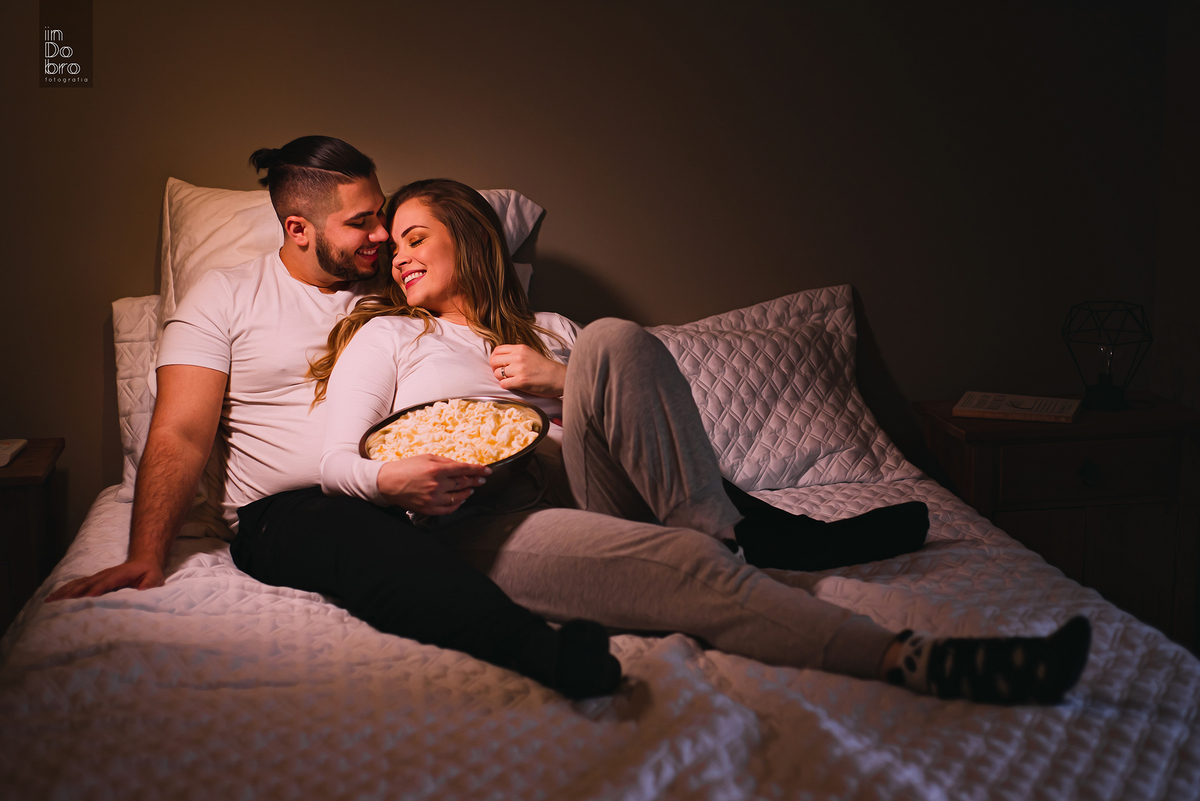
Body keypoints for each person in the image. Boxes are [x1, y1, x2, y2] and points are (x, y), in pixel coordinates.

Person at [315, 178, 1093, 705]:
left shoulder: (551, 332)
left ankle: (714, 532)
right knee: (688, 566)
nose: (400, 255)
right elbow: (330, 459)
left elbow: (634, 417)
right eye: (396, 247)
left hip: (587, 481)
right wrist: (394, 483)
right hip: (488, 516)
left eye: (418, 236)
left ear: (471, 239)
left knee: (614, 339)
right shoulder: (389, 335)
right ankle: (913, 657)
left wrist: (557, 378)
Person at [45, 137, 621, 701]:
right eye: (362, 223)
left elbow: (464, 250)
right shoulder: (225, 296)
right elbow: (179, 433)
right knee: (362, 539)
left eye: (384, 220)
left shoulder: (400, 287)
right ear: (299, 229)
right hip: (289, 512)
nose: (381, 237)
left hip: (417, 494)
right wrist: (145, 554)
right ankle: (537, 652)